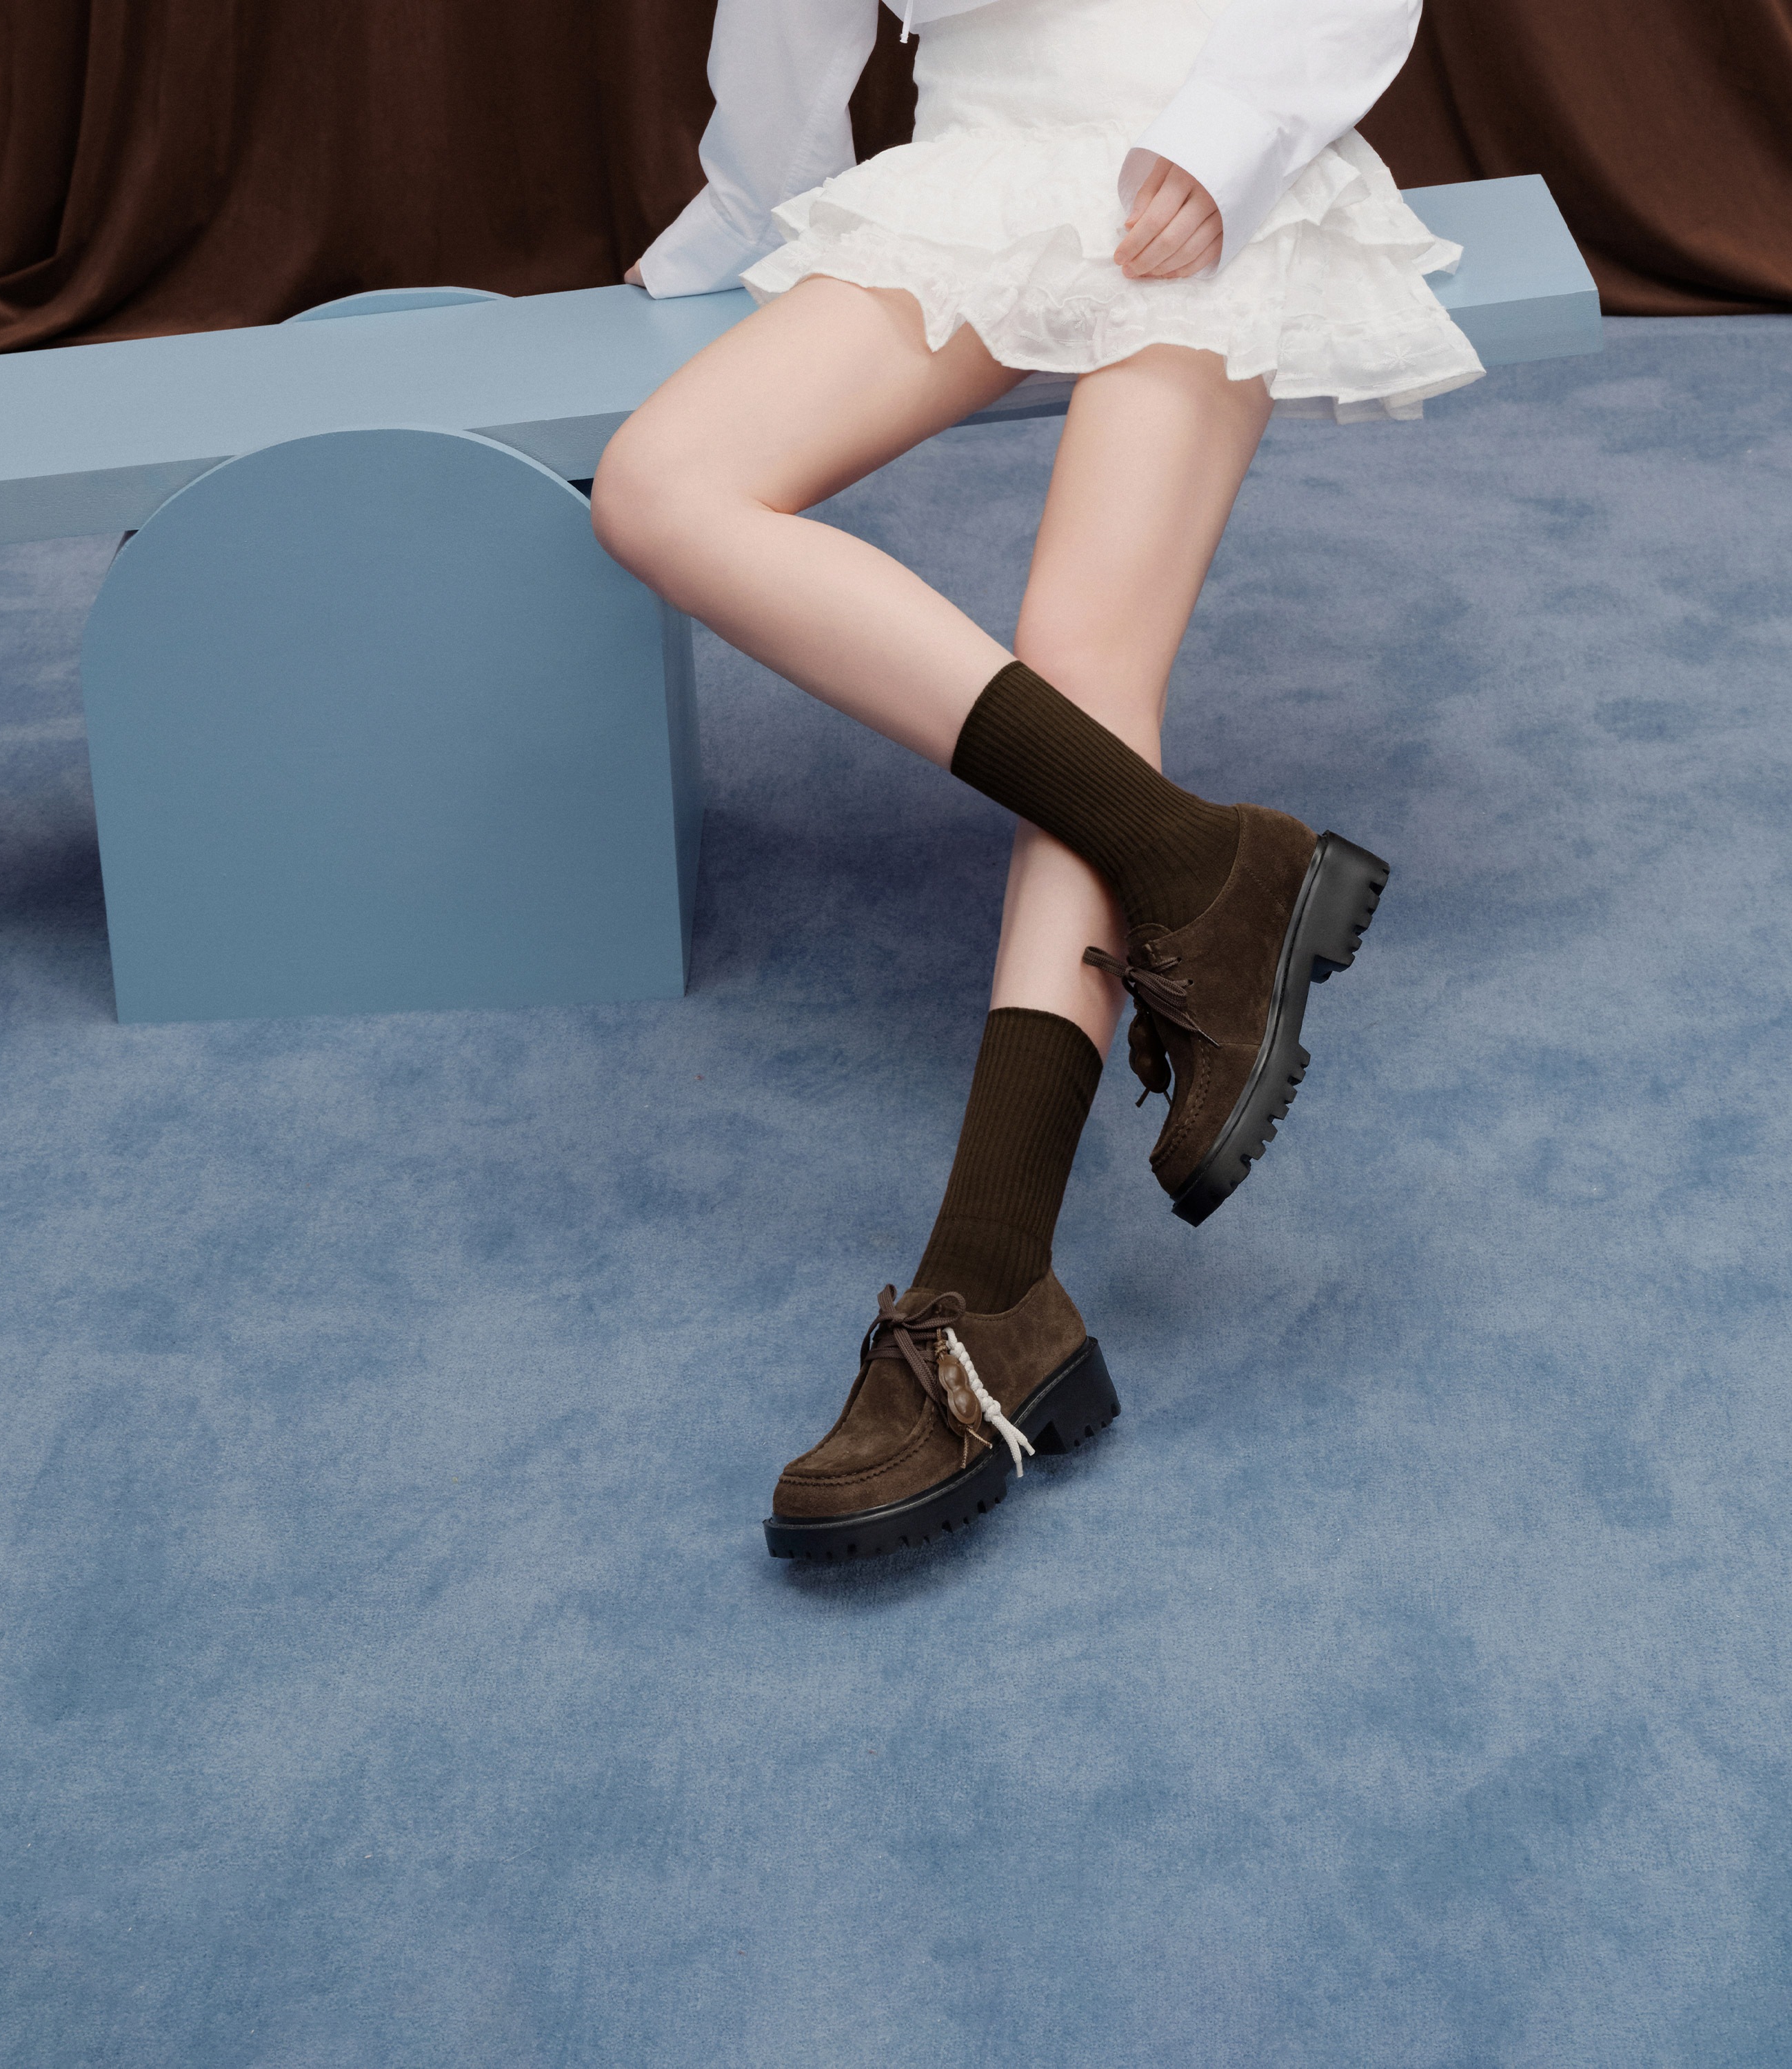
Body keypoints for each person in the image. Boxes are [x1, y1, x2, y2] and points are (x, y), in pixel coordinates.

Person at [590, 0, 1483, 1561]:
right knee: (660, 486)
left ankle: (989, 1281)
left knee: (1086, 655)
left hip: (1199, 145)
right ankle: (1202, 864)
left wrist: (1235, 136)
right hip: (975, 169)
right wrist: (749, 202)